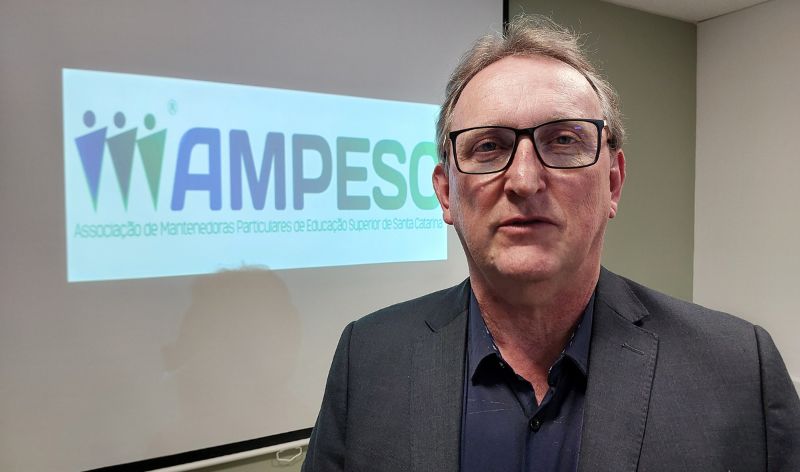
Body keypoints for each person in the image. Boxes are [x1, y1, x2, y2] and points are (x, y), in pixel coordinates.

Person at [302, 15, 800, 471]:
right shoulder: (367, 360)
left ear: (613, 182)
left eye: (563, 140)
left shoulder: (739, 371)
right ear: (446, 193)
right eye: (488, 145)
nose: (524, 180)